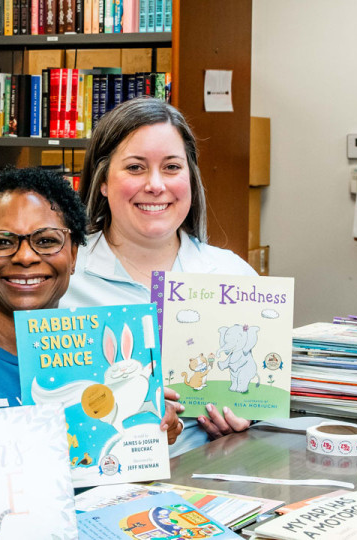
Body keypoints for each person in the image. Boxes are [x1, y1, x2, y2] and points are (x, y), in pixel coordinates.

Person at [0, 167, 184, 445]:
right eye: (3, 242)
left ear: (74, 256)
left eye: (46, 241)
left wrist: (147, 422)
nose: (26, 256)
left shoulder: (107, 365)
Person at [59, 97, 257, 457]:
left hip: (208, 484)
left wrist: (244, 424)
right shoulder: (61, 279)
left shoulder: (234, 276)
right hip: (95, 486)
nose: (155, 185)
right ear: (102, 181)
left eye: (171, 167)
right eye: (135, 168)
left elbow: (266, 405)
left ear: (190, 179)